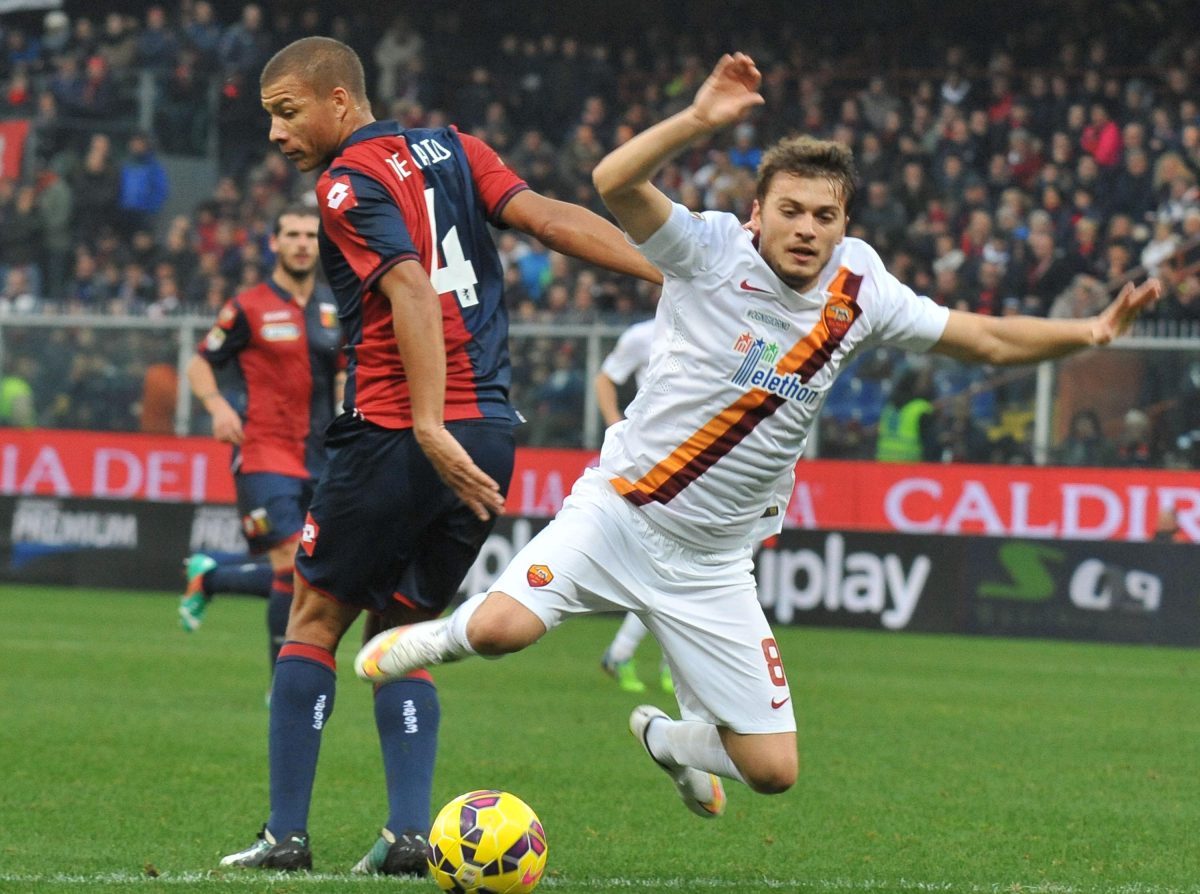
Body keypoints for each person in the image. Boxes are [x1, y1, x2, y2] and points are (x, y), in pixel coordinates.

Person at [356, 53, 1162, 822]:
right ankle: (434, 637)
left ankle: (665, 739)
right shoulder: (707, 250)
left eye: (824, 215)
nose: (806, 229)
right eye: (790, 211)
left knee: (773, 771)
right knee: (499, 633)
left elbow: (983, 339)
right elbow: (614, 182)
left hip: (714, 562)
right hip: (621, 513)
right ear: (757, 214)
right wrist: (698, 120)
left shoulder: (862, 287)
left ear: (844, 224)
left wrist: (1089, 332)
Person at [220, 36, 661, 875]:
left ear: (339, 101)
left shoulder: (344, 182)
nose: (275, 132)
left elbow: (412, 289)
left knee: (313, 620)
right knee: (407, 629)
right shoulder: (456, 148)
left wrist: (426, 423)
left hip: (398, 427)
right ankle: (407, 838)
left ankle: (286, 838)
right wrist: (667, 273)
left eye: (286, 112)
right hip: (491, 429)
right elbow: (549, 219)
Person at [180, 206, 344, 689]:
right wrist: (217, 406)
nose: (301, 243)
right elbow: (200, 364)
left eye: (310, 235)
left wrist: (346, 406)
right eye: (292, 234)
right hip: (262, 450)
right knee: (291, 559)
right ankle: (283, 688)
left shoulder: (334, 308)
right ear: (274, 244)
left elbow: (341, 370)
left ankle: (211, 577)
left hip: (320, 454)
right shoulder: (247, 307)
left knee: (309, 571)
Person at [594, 316, 675, 695]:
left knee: (676, 571)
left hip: (709, 460)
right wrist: (616, 426)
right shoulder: (643, 335)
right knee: (670, 568)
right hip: (658, 460)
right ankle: (649, 659)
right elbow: (605, 378)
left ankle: (628, 654)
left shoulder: (721, 323)